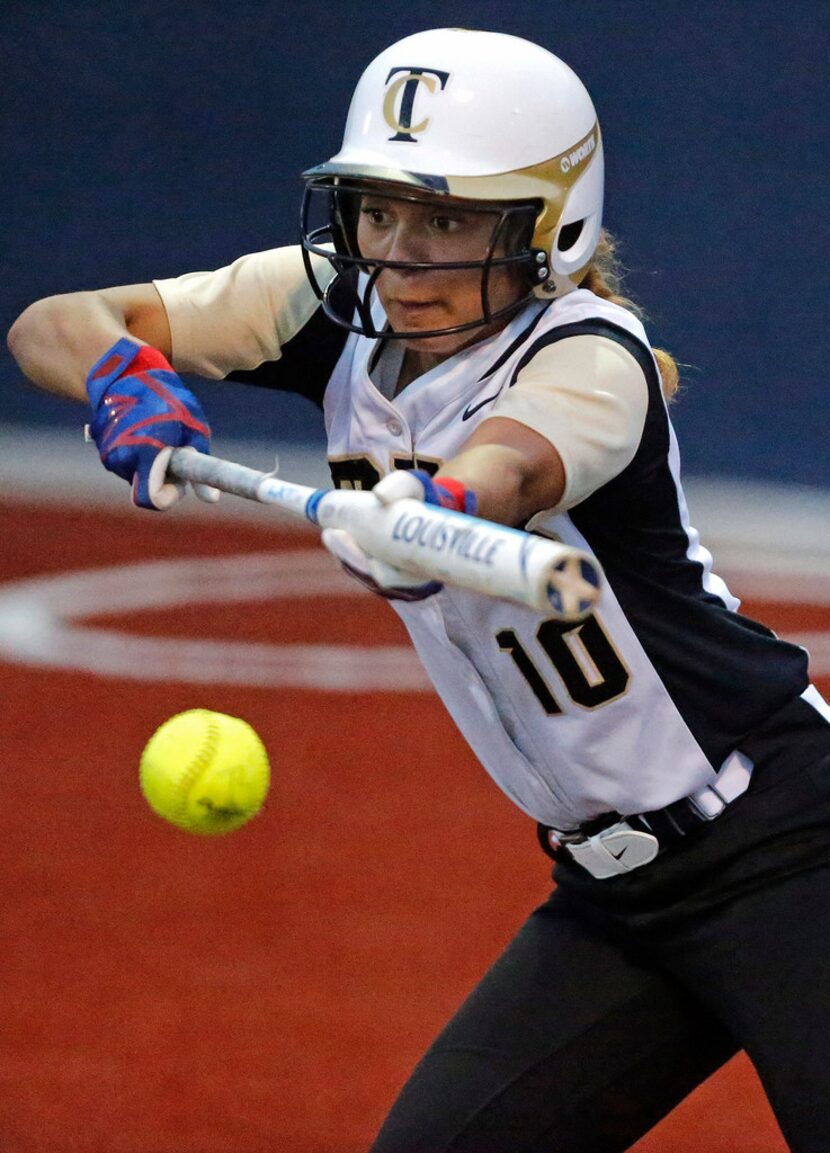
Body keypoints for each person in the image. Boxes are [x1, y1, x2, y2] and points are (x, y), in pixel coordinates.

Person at [8, 26, 830, 1153]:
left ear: (550, 228)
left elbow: (508, 466)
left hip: (788, 850)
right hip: (614, 898)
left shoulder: (588, 355)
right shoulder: (328, 304)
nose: (399, 255)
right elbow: (51, 321)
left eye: (447, 220)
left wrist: (428, 514)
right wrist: (119, 376)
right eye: (377, 211)